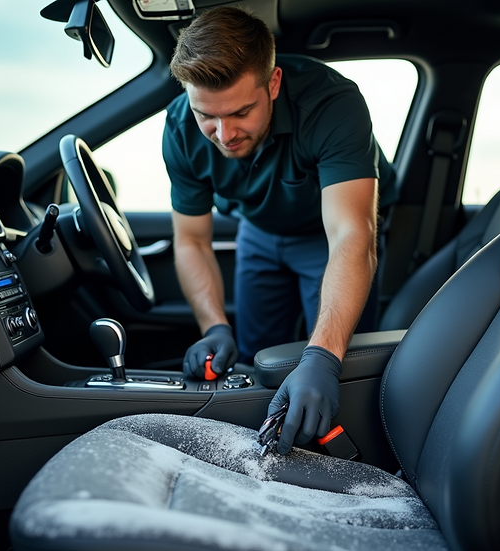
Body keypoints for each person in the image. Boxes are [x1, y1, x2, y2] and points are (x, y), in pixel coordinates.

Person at [163, 6, 397, 454]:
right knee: (258, 360)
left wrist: (323, 357)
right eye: (206, 115)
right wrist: (214, 327)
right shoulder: (178, 128)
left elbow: (352, 234)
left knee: (335, 365)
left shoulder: (332, 104)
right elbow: (191, 240)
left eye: (241, 112)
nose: (224, 134)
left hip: (328, 234)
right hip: (258, 228)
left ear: (272, 84)